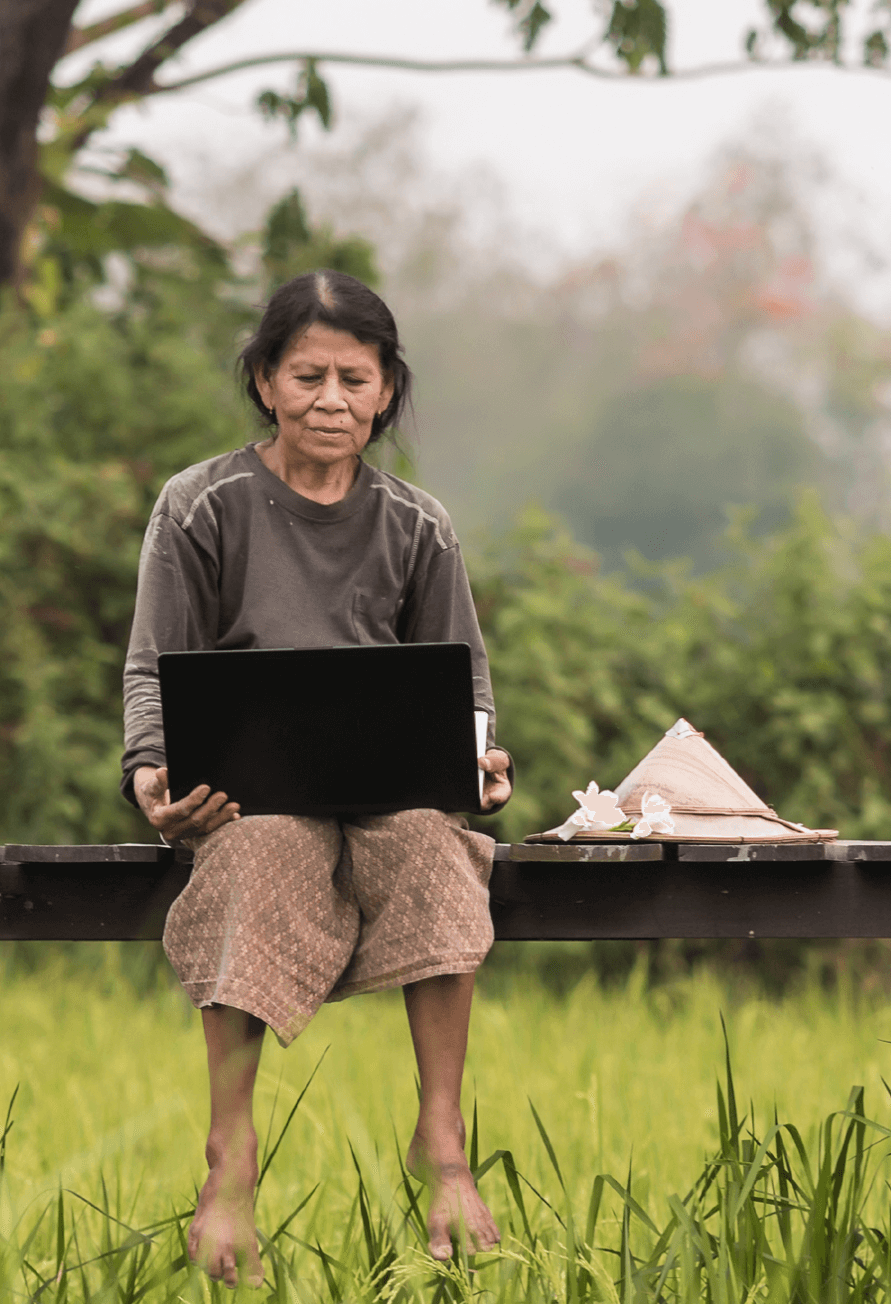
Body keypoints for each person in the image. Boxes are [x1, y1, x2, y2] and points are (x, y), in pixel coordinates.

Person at [120, 270, 515, 1287]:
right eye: (306, 376)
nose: (329, 400)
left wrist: (477, 760)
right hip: (248, 799)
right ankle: (231, 1160)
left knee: (437, 853)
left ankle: (444, 1147)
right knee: (251, 863)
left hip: (393, 794)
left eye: (354, 377)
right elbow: (152, 663)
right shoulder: (200, 504)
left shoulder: (417, 522)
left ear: (386, 391)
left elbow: (461, 674)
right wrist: (154, 777)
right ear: (263, 382)